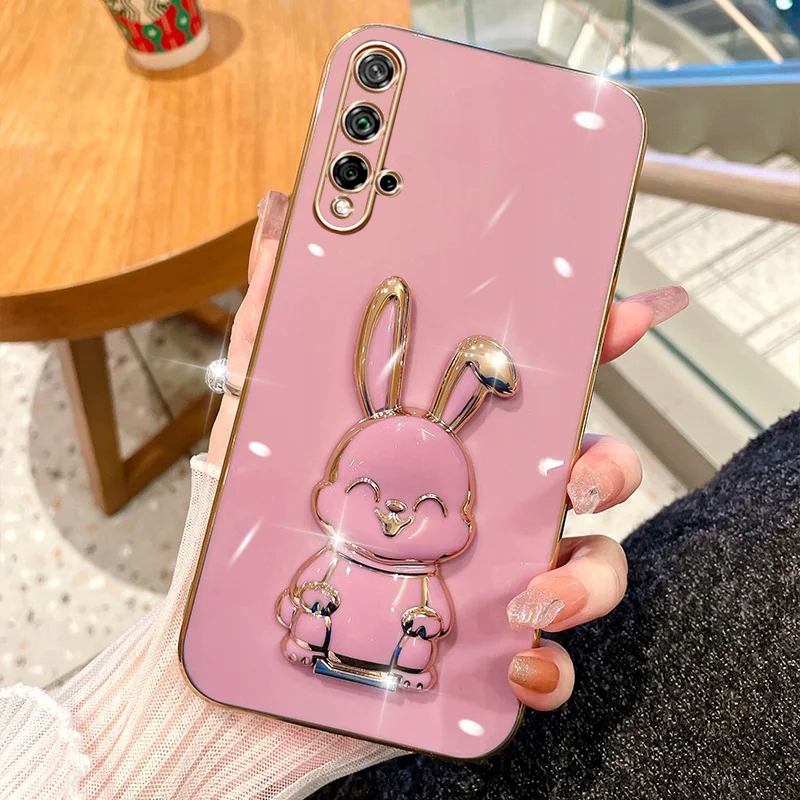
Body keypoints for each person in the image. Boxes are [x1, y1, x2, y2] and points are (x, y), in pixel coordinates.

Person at [0, 191, 693, 800]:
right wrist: (289, 621)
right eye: (368, 489)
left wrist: (422, 628)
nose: (395, 512)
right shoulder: (341, 553)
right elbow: (306, 591)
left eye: (428, 508)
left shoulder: (417, 574)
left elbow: (425, 608)